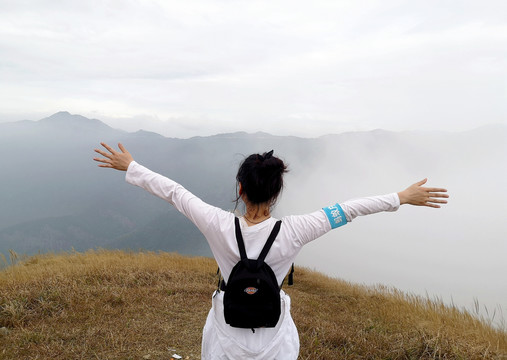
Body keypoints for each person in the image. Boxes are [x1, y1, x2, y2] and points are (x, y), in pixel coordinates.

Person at [94, 142, 448, 360]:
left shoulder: (216, 224)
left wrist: (132, 167)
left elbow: (174, 192)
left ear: (240, 188)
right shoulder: (295, 230)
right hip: (274, 339)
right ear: (277, 192)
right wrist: (400, 198)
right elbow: (348, 209)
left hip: (226, 337)